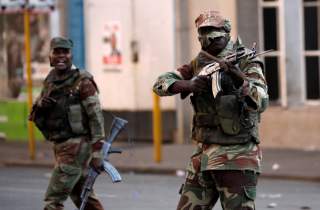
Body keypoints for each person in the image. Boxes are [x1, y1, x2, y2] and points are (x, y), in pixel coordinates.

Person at [153, 11, 269, 210]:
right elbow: (160, 84)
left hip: (237, 156)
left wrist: (239, 80)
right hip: (203, 157)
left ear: (226, 31)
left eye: (214, 31)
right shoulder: (198, 63)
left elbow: (262, 100)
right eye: (204, 32)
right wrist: (188, 85)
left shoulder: (245, 60)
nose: (209, 37)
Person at [29, 37, 105, 210]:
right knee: (82, 196)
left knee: (53, 201)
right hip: (60, 145)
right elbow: (35, 111)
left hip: (76, 147)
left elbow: (96, 117)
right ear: (50, 55)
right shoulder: (50, 81)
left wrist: (97, 152)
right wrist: (41, 105)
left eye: (65, 52)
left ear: (71, 55)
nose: (61, 56)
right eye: (57, 52)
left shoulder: (82, 81)